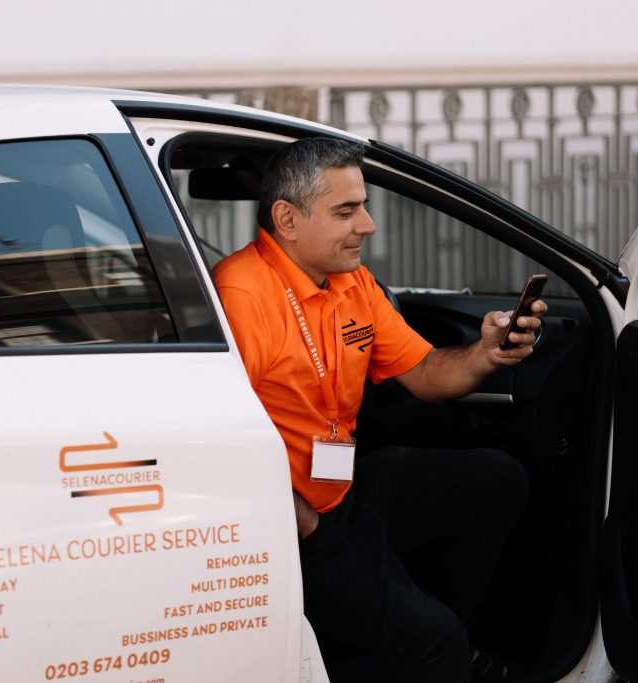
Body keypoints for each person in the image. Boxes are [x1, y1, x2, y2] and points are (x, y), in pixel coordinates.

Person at [213, 137, 546, 682]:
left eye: (363, 207)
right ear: (287, 219)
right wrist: (308, 525)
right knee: (432, 644)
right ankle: (434, 646)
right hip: (294, 524)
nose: (367, 225)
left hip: (344, 484)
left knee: (497, 481)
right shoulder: (243, 295)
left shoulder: (352, 283)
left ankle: (424, 639)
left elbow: (424, 374)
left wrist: (486, 353)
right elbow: (225, 444)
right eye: (347, 211)